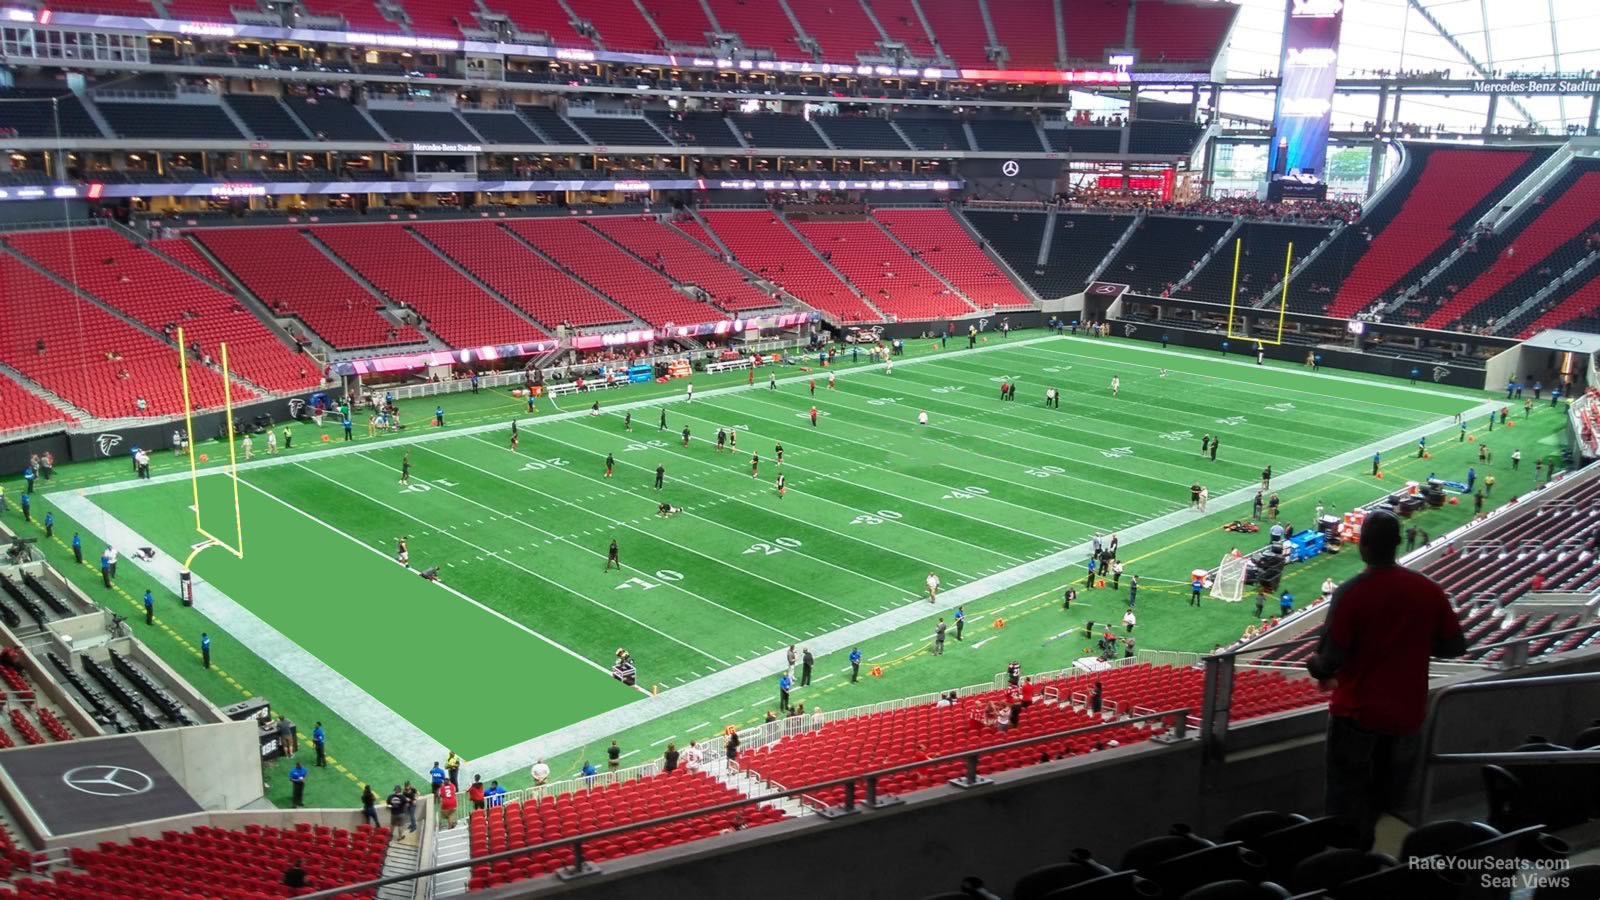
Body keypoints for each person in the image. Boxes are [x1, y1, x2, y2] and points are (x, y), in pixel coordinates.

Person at [1307, 510, 1466, 851]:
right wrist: (1414, 643)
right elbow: (1455, 645)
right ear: (1396, 544)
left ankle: (1349, 872)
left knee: (1345, 808)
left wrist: (1313, 664)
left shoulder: (1352, 593)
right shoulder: (1427, 589)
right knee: (1383, 802)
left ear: (1363, 546)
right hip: (1406, 717)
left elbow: (1330, 660)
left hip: (1357, 716)